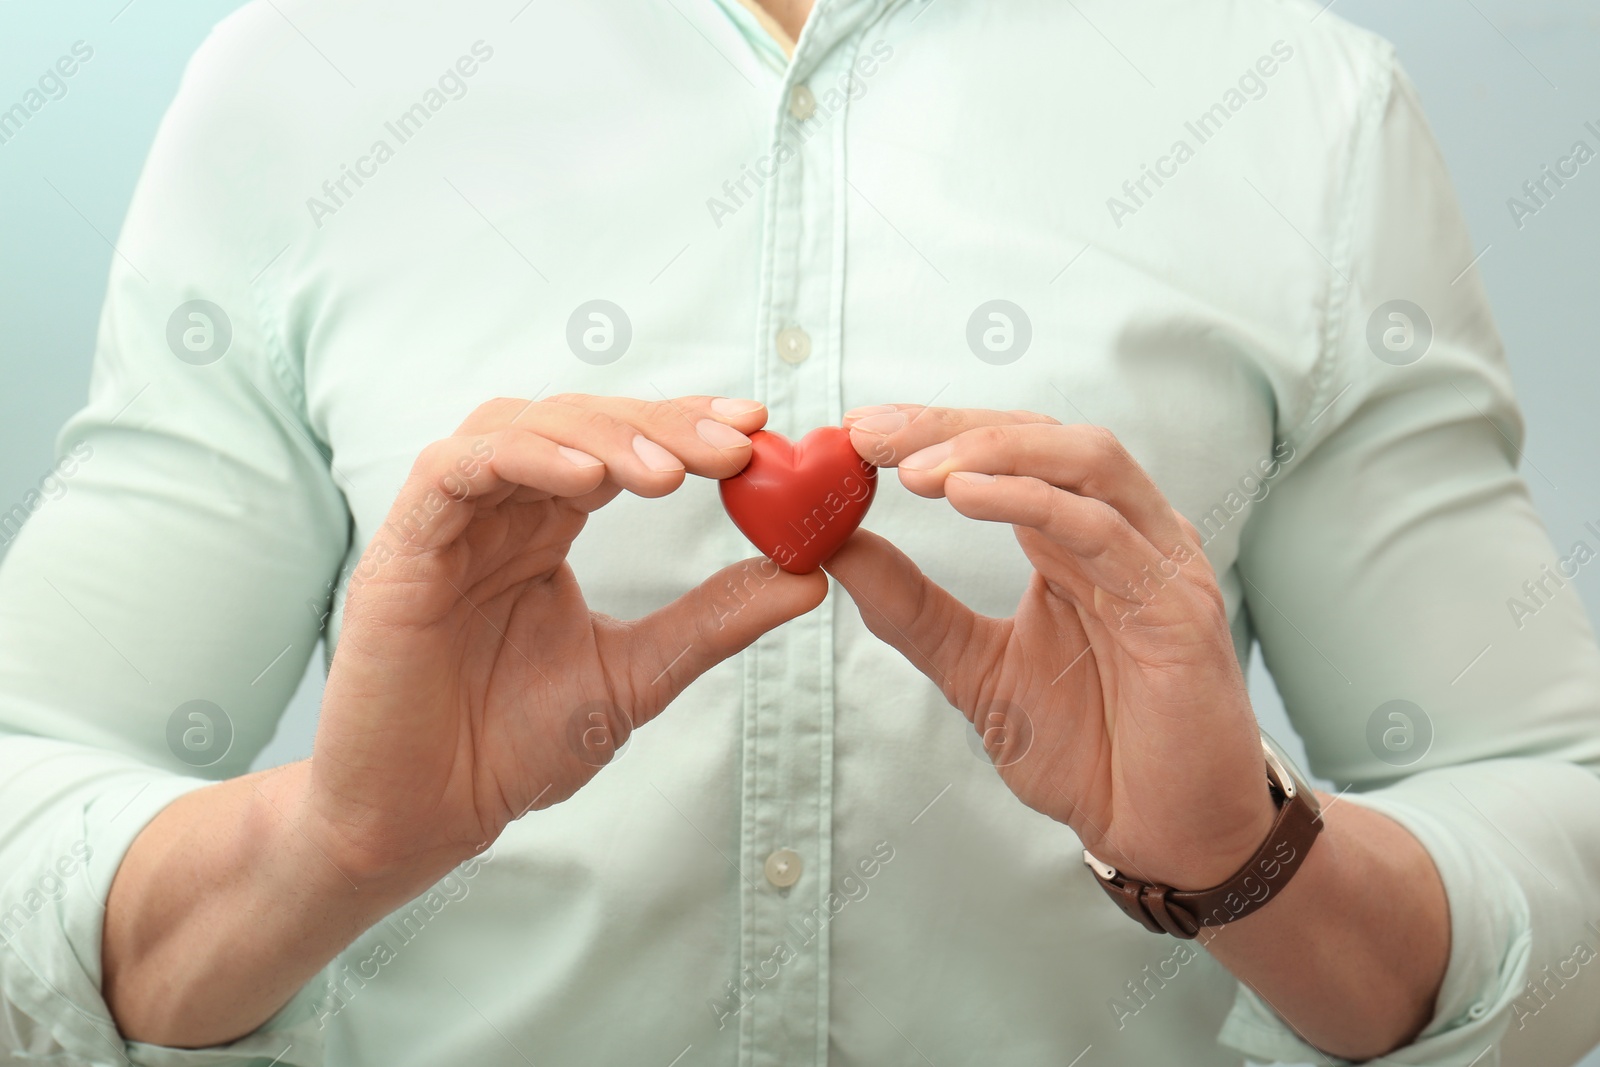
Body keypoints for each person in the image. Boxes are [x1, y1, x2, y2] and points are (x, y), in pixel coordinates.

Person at [2, 0, 1598, 1064]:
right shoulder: (308, 82)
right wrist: (329, 852)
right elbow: (31, 776)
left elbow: (1554, 813)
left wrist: (1251, 862)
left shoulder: (1295, 103)